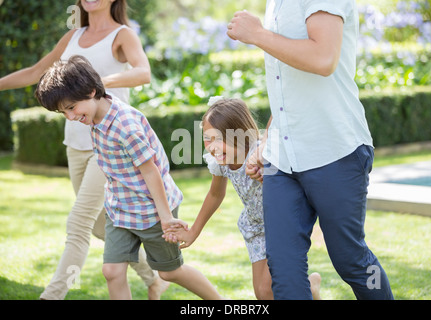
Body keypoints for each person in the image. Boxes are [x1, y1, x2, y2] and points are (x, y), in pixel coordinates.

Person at [0, 0, 168, 300]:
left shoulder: (122, 35)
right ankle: (153, 277)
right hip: (75, 144)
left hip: (109, 143)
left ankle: (51, 296)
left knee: (78, 223)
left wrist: (95, 84)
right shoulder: (72, 36)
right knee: (102, 226)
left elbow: (143, 73)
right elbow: (38, 71)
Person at [226, 1, 394, 300]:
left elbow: (323, 59)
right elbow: (287, 86)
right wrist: (268, 140)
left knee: (352, 261)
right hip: (282, 160)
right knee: (284, 270)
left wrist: (258, 34)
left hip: (335, 150)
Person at [34, 55, 224, 300]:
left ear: (92, 91)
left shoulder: (125, 126)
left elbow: (150, 171)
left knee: (170, 273)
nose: (70, 117)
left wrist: (166, 218)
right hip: (120, 209)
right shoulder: (94, 118)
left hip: (152, 210)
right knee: (112, 271)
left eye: (71, 108)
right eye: (63, 113)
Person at [164, 96, 321, 300]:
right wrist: (193, 232)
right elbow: (215, 194)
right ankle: (311, 290)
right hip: (255, 227)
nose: (211, 147)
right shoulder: (220, 161)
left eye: (217, 139)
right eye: (207, 138)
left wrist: (266, 177)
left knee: (270, 288)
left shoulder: (263, 155)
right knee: (263, 293)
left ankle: (308, 290)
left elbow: (290, 185)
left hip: (280, 223)